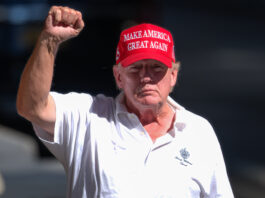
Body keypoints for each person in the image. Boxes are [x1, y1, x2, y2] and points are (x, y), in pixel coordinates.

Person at [16, 5, 234, 198]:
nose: (146, 77)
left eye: (157, 68)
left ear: (173, 75)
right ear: (118, 76)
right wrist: (49, 40)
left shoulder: (198, 132)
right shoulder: (88, 117)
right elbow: (32, 107)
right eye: (136, 68)